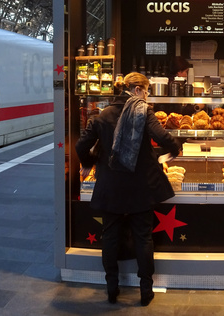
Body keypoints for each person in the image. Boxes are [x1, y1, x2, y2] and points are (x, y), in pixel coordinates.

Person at [74, 72, 181, 306]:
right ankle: (145, 290)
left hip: (110, 186)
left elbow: (81, 145)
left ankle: (112, 287)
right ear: (137, 90)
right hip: (140, 186)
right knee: (144, 237)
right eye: (147, 91)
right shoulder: (143, 111)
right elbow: (162, 136)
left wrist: (88, 163)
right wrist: (174, 149)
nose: (148, 97)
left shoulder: (102, 116)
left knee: (110, 236)